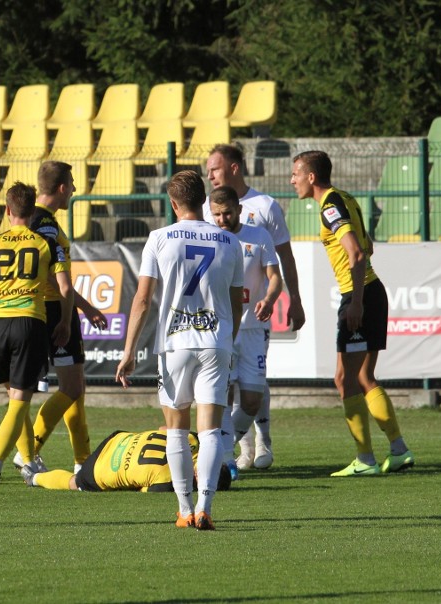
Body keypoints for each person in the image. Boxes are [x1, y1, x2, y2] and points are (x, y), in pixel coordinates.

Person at [115, 170, 243, 531]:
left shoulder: (159, 238)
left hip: (175, 344)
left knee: (176, 430)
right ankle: (205, 507)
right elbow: (237, 302)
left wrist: (128, 352)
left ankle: (184, 509)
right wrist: (227, 340)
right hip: (215, 342)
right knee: (211, 431)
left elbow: (142, 300)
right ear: (204, 200)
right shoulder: (229, 242)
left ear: (173, 204)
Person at [291, 151, 414, 476]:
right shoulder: (346, 199)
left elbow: (357, 252)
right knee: (361, 377)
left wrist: (356, 302)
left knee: (346, 379)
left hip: (360, 296)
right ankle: (398, 450)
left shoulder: (330, 205)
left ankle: (366, 459)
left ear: (311, 177)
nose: (292, 181)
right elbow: (367, 244)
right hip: (372, 292)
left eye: (295, 174)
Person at [0, 182, 73, 484]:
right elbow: (64, 287)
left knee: (13, 395)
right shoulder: (46, 244)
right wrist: (64, 321)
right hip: (30, 321)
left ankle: (28, 462)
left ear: (8, 210)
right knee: (20, 400)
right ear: (32, 209)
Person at [204, 144, 306, 470]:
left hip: (253, 323)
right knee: (224, 387)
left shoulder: (264, 208)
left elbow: (283, 258)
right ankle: (236, 453)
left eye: (215, 169)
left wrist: (292, 299)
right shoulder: (207, 215)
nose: (210, 175)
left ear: (234, 168)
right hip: (221, 322)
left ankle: (260, 440)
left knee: (254, 386)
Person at [12, 160, 108, 474]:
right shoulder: (48, 224)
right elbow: (56, 278)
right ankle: (30, 449)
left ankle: (82, 459)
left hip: (34, 308)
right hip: (54, 310)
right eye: (73, 184)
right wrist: (84, 308)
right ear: (63, 188)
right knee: (70, 386)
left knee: (73, 385)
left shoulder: (32, 218)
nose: (76, 190)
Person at [208, 186, 283, 479]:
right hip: (223, 328)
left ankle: (224, 447)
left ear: (239, 210)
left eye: (227, 213)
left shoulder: (258, 236)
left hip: (253, 328)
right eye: (217, 214)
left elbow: (275, 277)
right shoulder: (210, 237)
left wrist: (270, 298)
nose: (223, 219)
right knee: (222, 393)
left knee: (251, 400)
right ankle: (225, 457)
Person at [26, 429, 231, 493]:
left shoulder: (192, 440)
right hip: (103, 469)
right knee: (74, 482)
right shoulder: (171, 483)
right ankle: (34, 478)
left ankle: (32, 473)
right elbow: (141, 489)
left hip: (120, 438)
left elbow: (163, 428)